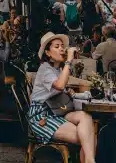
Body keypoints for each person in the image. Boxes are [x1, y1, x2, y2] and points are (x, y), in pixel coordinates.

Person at [28, 32, 96, 163]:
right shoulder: (44, 69)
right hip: (41, 115)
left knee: (86, 117)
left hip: (57, 110)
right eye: (57, 46)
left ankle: (89, 160)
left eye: (62, 46)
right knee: (87, 136)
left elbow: (62, 88)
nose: (62, 49)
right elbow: (59, 85)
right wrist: (69, 61)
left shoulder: (58, 70)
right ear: (47, 53)